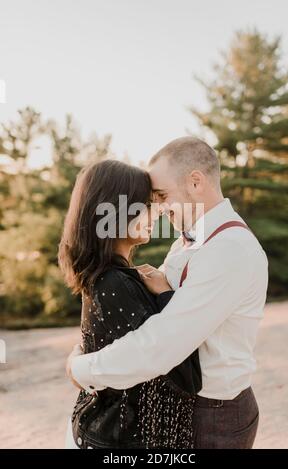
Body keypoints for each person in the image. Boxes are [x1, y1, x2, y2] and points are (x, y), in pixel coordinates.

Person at [67, 137, 269, 449]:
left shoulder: (229, 250)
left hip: (214, 415)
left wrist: (81, 367)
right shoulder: (189, 241)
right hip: (195, 408)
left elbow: (159, 346)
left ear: (196, 182)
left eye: (162, 196)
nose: (158, 209)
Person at [60, 159, 202, 449]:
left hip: (106, 432)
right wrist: (165, 296)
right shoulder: (114, 283)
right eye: (147, 204)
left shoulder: (109, 275)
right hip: (119, 442)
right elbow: (185, 376)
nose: (157, 211)